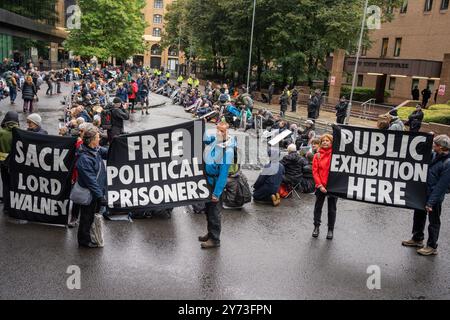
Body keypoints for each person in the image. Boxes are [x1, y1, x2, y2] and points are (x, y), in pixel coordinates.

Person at [402, 135, 450, 256]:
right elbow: (418, 151)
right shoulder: (434, 155)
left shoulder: (447, 162)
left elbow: (442, 186)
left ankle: (432, 246)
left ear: (441, 147)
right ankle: (417, 239)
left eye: (435, 144)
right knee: (418, 215)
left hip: (434, 197)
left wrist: (431, 202)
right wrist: (426, 138)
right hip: (423, 193)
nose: (433, 145)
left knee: (434, 221)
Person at [201, 122, 234, 249]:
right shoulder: (218, 140)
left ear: (226, 133)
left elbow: (223, 175)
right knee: (208, 210)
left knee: (214, 213)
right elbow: (206, 139)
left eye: (220, 131)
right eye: (217, 130)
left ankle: (215, 239)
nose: (217, 133)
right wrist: (201, 127)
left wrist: (217, 193)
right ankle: (210, 233)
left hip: (215, 185)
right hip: (208, 182)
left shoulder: (228, 150)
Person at [76, 126, 108, 248]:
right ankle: (84, 241)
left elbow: (107, 152)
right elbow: (91, 181)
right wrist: (100, 196)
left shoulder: (95, 149)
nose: (100, 139)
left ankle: (90, 236)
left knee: (91, 216)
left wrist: (118, 144)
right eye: (98, 137)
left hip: (95, 192)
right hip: (90, 193)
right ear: (92, 140)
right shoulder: (84, 158)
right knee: (86, 217)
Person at [312, 134, 337, 240]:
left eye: (327, 140)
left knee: (332, 209)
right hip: (320, 186)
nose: (325, 142)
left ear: (331, 143)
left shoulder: (336, 155)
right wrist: (320, 185)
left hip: (332, 187)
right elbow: (315, 171)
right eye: (323, 141)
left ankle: (330, 229)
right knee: (318, 207)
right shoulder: (317, 155)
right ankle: (316, 227)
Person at [0, 111, 19, 214]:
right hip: (15, 163)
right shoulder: (19, 132)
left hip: (3, 163)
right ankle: (14, 205)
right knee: (14, 183)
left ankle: (6, 206)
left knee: (5, 183)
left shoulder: (1, 132)